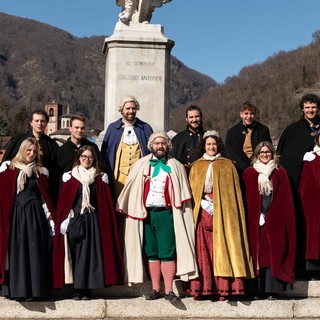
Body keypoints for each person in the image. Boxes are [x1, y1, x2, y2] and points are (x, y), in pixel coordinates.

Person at [116, 130, 198, 301]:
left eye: (163, 143)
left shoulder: (176, 165)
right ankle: (155, 288)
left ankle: (169, 290)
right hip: (146, 214)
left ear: (168, 145)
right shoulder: (140, 165)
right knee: (151, 251)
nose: (160, 146)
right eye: (156, 143)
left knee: (168, 251)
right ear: (151, 146)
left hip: (167, 213)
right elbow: (132, 188)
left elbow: (182, 192)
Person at [188, 130, 254, 301]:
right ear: (204, 146)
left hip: (223, 213)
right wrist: (203, 202)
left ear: (218, 145)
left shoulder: (227, 165)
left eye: (214, 144)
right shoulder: (196, 166)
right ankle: (204, 288)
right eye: (208, 144)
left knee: (222, 247)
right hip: (202, 212)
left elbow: (232, 196)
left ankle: (225, 288)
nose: (211, 147)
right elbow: (193, 191)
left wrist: (218, 204)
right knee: (204, 250)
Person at [52, 145, 123, 300]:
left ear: (94, 159)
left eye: (90, 157)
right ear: (78, 158)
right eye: (84, 156)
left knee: (90, 255)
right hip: (76, 220)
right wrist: (64, 219)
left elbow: (105, 202)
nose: (87, 159)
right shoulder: (70, 177)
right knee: (76, 254)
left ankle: (88, 289)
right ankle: (77, 288)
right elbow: (65, 201)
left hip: (93, 220)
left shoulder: (99, 177)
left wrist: (106, 181)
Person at [0, 137, 55, 301]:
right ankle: (18, 290)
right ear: (22, 151)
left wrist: (50, 218)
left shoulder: (40, 172)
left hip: (35, 216)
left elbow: (45, 197)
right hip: (16, 216)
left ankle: (36, 290)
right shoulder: (9, 170)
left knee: (35, 251)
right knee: (18, 252)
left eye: (34, 151)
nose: (31, 154)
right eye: (28, 150)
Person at [243, 141, 295, 299]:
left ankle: (272, 288)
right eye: (262, 152)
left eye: (268, 152)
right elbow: (246, 199)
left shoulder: (280, 173)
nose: (265, 155)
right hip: (256, 220)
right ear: (257, 155)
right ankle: (258, 289)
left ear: (272, 154)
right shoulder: (250, 173)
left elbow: (284, 199)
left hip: (274, 219)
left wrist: (271, 215)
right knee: (258, 252)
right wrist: (256, 214)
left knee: (273, 251)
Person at [277, 93, 320, 275]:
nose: (310, 110)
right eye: (307, 107)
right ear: (302, 108)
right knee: (303, 227)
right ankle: (303, 267)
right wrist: (302, 159)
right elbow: (284, 158)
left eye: (313, 107)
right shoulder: (292, 130)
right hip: (300, 190)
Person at [101, 95, 153, 199]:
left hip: (139, 176)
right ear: (122, 110)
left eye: (133, 108)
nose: (131, 111)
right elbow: (105, 153)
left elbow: (152, 153)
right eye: (128, 108)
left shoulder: (145, 128)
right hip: (118, 177)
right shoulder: (113, 128)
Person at [1, 109, 59, 201]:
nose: (39, 124)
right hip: (18, 189)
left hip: (41, 192)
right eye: (36, 121)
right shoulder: (19, 140)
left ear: (46, 123)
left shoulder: (52, 145)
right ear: (31, 122)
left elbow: (55, 171)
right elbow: (8, 159)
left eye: (42, 121)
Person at [57, 114, 109, 186]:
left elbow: (102, 167)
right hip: (70, 191)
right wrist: (62, 176)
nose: (79, 130)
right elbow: (56, 174)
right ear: (70, 129)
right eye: (77, 127)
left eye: (82, 128)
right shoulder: (62, 151)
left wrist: (103, 174)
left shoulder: (93, 147)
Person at [225, 102, 272, 176]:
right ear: (241, 114)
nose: (249, 116)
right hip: (238, 169)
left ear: (255, 115)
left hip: (260, 167)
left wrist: (255, 165)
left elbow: (268, 149)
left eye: (252, 113)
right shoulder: (232, 132)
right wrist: (247, 167)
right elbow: (233, 153)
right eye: (246, 113)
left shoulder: (263, 130)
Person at [298, 131, 320, 279]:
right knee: (314, 236)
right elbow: (305, 186)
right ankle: (313, 269)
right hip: (314, 204)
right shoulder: (311, 158)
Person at [170, 105, 205, 174]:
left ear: (201, 117)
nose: (194, 120)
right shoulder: (178, 139)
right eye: (191, 117)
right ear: (186, 119)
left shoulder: (208, 137)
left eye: (197, 116)